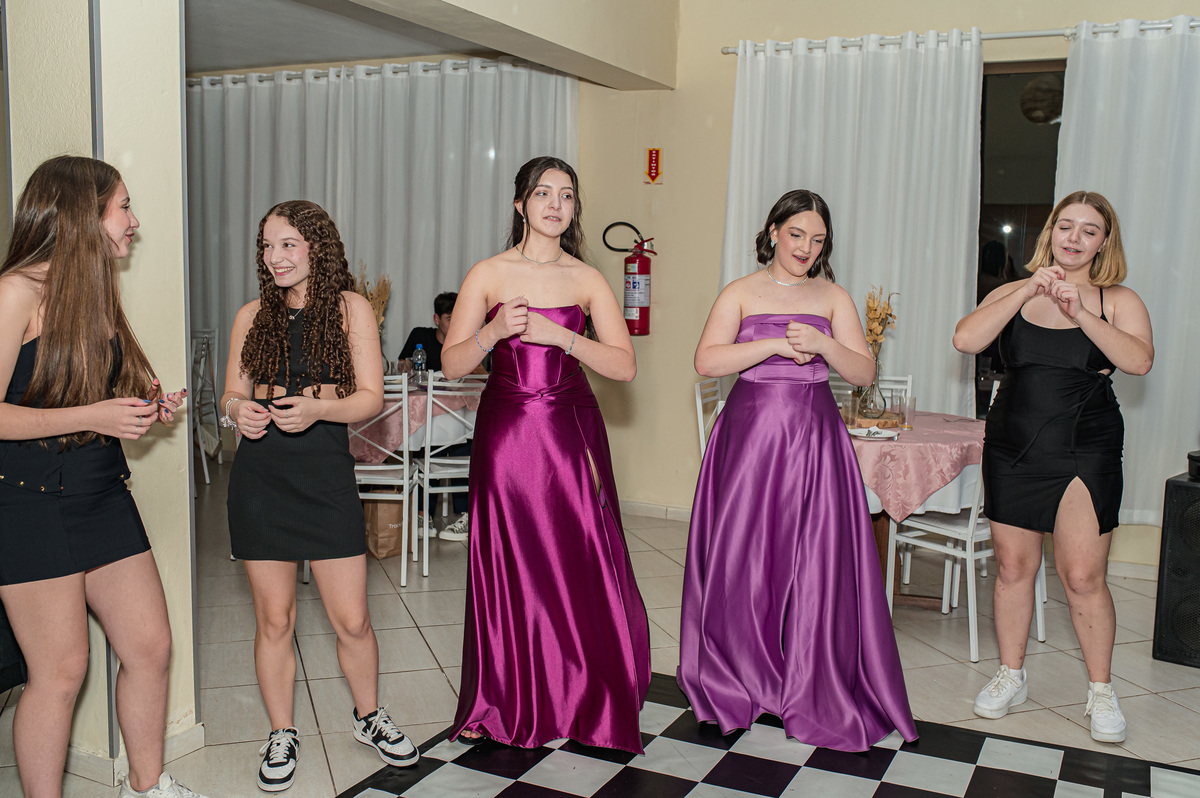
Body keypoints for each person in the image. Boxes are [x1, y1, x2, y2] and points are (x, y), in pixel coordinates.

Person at [679, 189, 918, 752]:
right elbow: (707, 360)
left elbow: (863, 373)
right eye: (796, 235)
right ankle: (742, 674)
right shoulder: (740, 291)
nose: (806, 248)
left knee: (813, 558)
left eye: (817, 239)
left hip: (814, 438)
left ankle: (806, 674)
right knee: (747, 556)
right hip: (750, 438)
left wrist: (823, 345)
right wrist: (771, 347)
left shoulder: (833, 296)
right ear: (773, 232)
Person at [0, 156, 200, 798]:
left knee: (150, 647)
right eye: (124, 207)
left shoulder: (91, 289)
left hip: (102, 494)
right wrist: (95, 414)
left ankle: (149, 786)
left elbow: (89, 388)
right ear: (83, 215)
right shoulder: (16, 292)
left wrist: (144, 405)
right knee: (60, 673)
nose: (134, 222)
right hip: (30, 504)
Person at [440, 156, 650, 752]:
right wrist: (492, 332)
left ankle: (583, 693)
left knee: (576, 554)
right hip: (507, 433)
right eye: (543, 193)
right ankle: (506, 698)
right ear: (520, 204)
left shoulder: (587, 279)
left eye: (567, 195)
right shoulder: (488, 274)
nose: (555, 205)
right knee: (513, 560)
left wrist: (564, 337)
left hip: (571, 429)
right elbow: (452, 363)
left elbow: (624, 366)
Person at [221, 200, 418, 791]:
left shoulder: (351, 309)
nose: (274, 257)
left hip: (326, 477)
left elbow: (370, 398)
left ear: (316, 247)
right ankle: (282, 731)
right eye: (266, 246)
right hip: (260, 480)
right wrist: (237, 411)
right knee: (274, 619)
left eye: (287, 244)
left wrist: (316, 411)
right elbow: (230, 392)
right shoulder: (251, 316)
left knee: (352, 620)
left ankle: (369, 716)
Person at [953, 191, 1153, 743]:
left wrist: (1080, 311)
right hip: (1013, 443)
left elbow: (1139, 360)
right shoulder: (1014, 292)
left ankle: (1101, 690)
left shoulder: (1118, 299)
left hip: (1086, 446)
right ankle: (1011, 675)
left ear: (1103, 242)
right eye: (1066, 226)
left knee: (1083, 576)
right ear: (1051, 232)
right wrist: (1027, 288)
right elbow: (966, 339)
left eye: (1089, 230)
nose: (1075, 238)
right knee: (1014, 568)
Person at [396, 290, 456, 373]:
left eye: (458, 319)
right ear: (437, 319)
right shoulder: (420, 336)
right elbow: (402, 365)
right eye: (449, 319)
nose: (455, 324)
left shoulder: (465, 343)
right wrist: (406, 366)